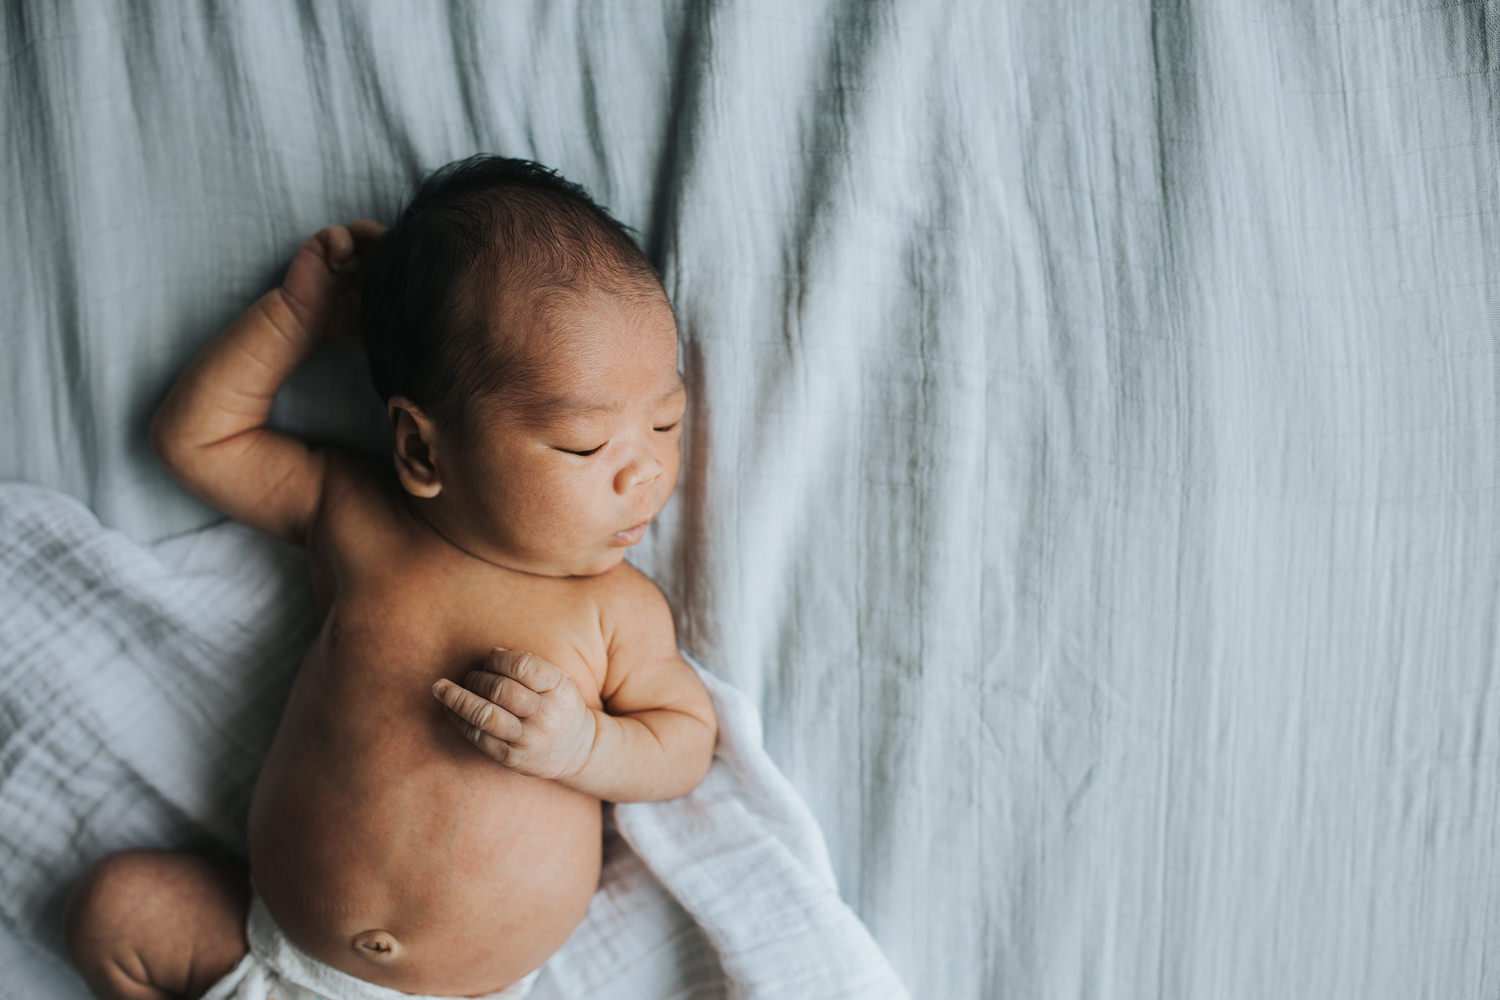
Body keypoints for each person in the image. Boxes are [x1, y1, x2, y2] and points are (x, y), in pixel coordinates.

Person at [62, 156, 718, 1000]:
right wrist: (295, 318)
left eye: (666, 419)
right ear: (420, 448)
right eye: (585, 445)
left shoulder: (614, 609)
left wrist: (584, 747)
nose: (647, 473)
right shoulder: (360, 519)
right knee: (114, 911)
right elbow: (197, 442)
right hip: (271, 956)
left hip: (465, 991)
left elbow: (684, 743)